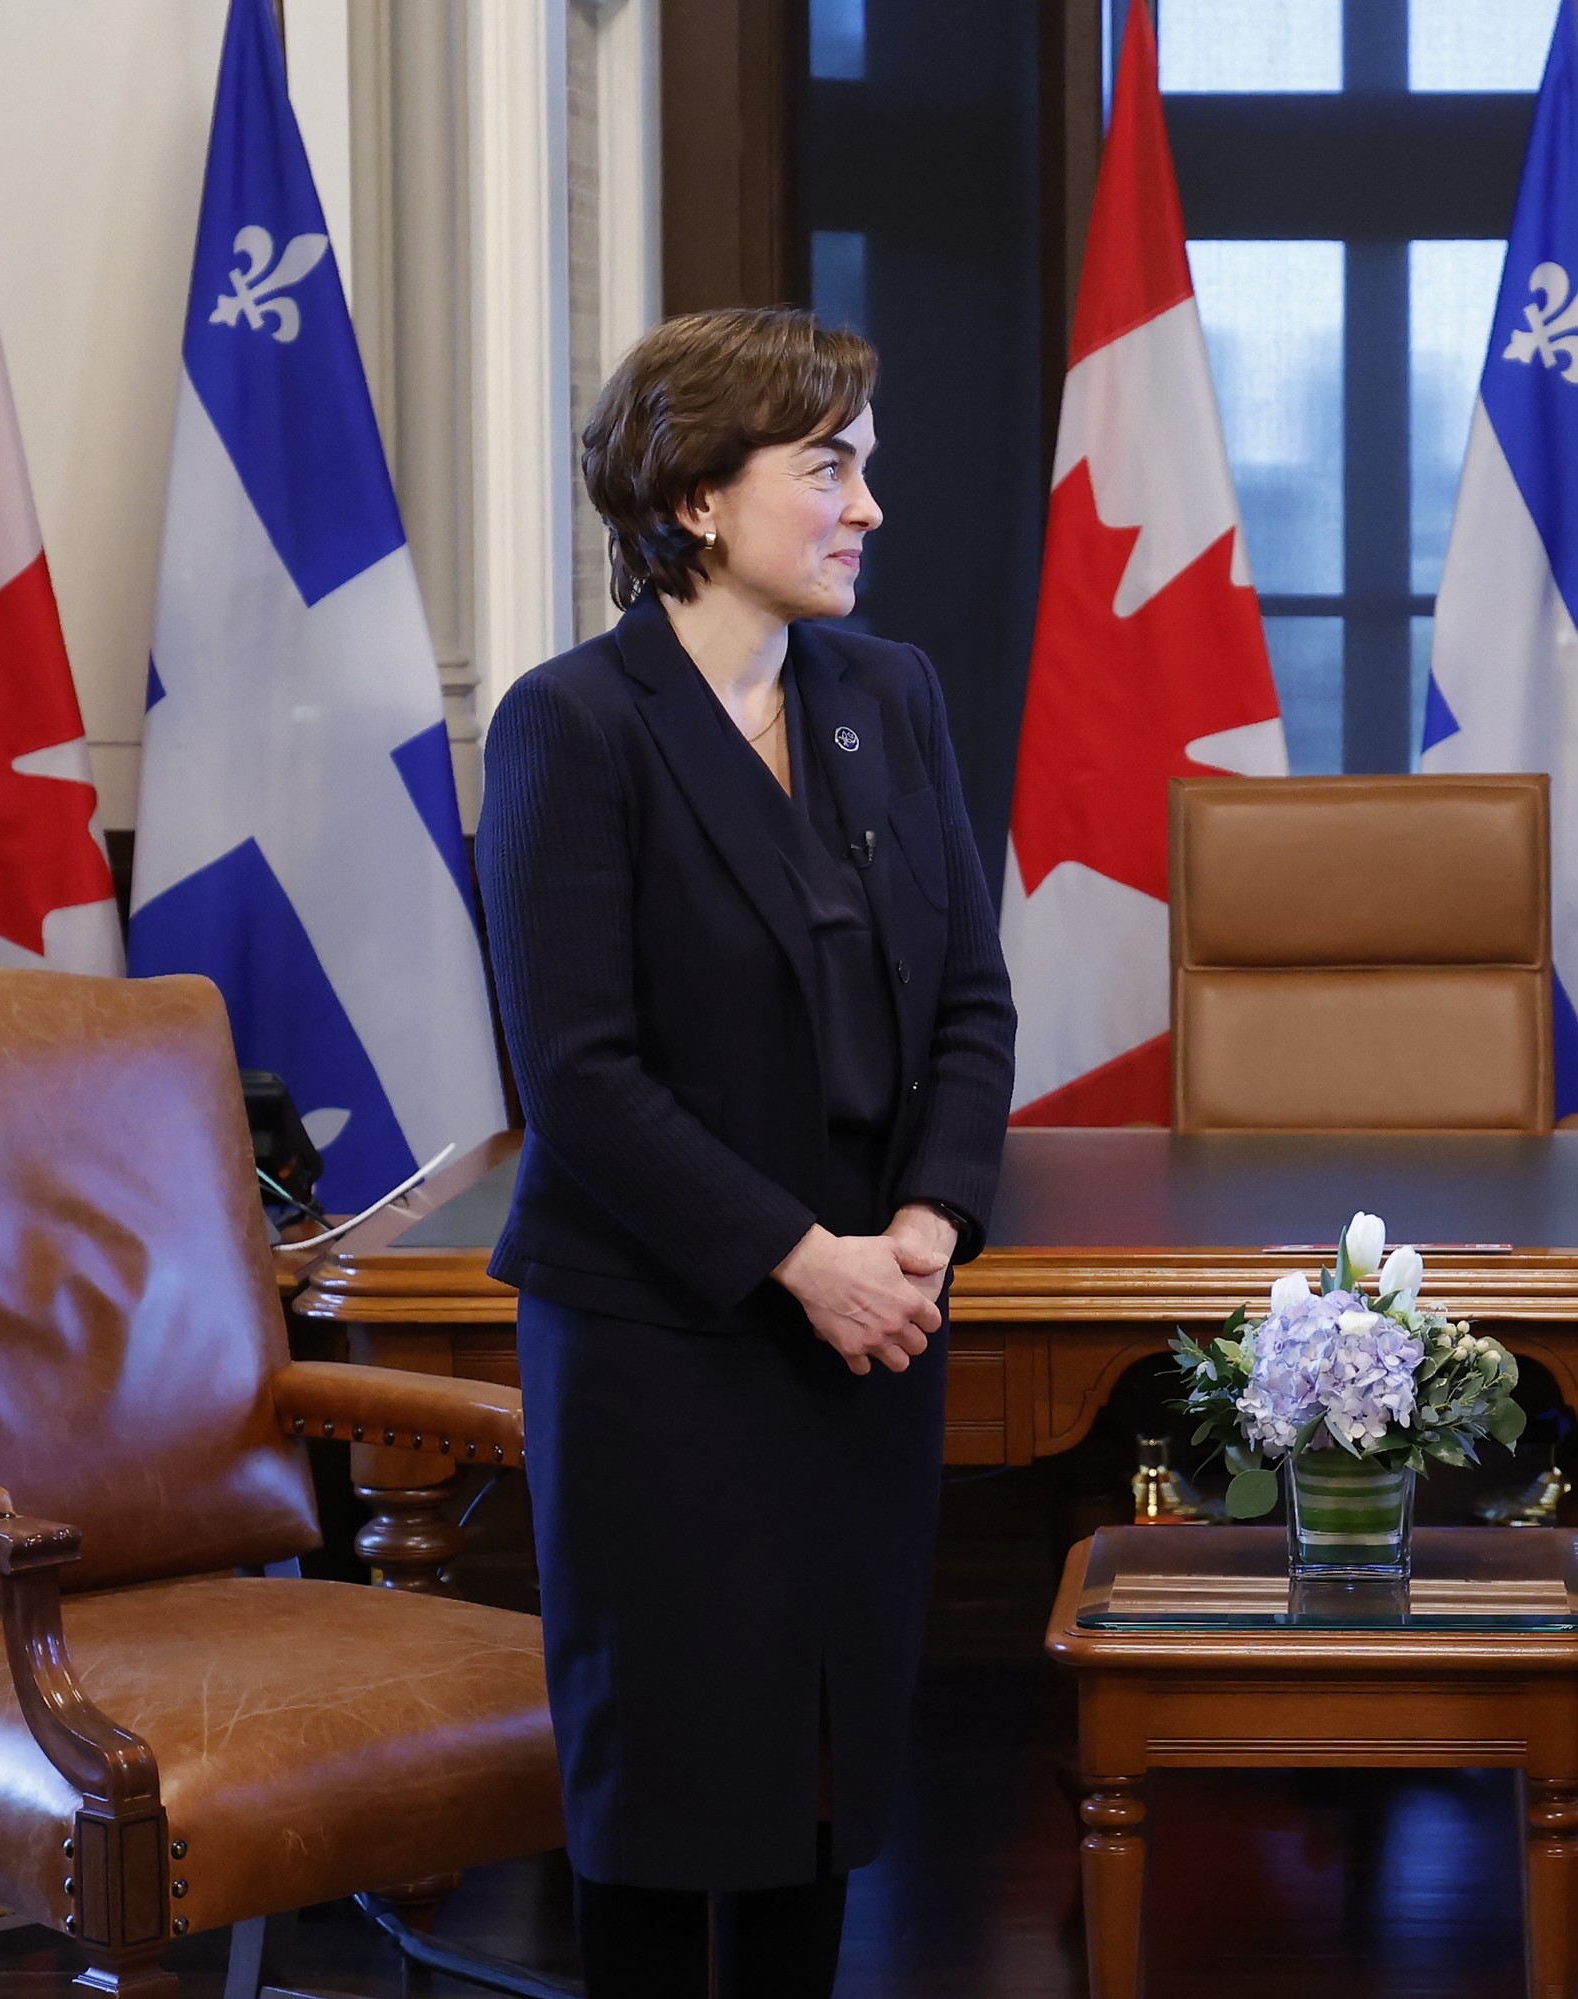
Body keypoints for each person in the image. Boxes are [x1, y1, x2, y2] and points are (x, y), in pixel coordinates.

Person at [476, 305, 1015, 1998]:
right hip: (667, 1340)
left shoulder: (890, 693)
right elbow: (580, 1078)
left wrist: (930, 1217)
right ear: (697, 499)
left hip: (877, 1325)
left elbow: (973, 1003)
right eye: (831, 470)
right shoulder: (576, 725)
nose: (868, 508)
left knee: (826, 1782)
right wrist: (809, 1263)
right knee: (668, 1792)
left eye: (868, 470)